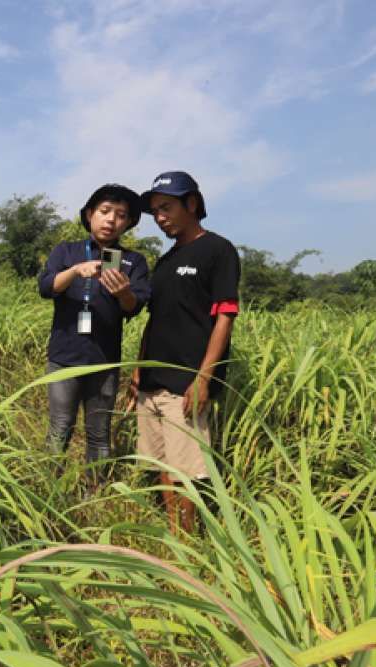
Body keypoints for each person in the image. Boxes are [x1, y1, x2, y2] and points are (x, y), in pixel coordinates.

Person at [132, 171, 240, 533]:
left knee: (186, 472)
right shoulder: (164, 263)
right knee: (162, 464)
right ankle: (174, 539)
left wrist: (204, 378)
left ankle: (189, 545)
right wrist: (138, 368)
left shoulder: (218, 251)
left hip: (186, 382)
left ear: (191, 204)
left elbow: (224, 319)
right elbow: (155, 320)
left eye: (166, 208)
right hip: (152, 381)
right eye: (156, 212)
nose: (160, 217)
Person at [37, 183, 151, 472]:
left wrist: (123, 292)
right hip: (64, 359)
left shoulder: (132, 261)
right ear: (90, 214)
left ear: (128, 223)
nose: (112, 220)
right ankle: (49, 491)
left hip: (104, 362)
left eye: (121, 215)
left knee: (99, 433)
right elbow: (46, 286)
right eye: (105, 211)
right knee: (60, 427)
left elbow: (134, 306)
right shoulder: (67, 251)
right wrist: (75, 271)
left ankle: (94, 489)